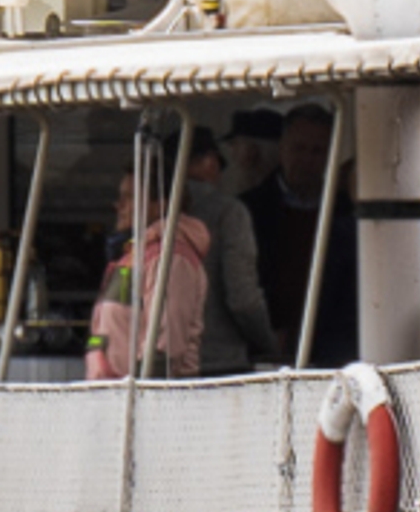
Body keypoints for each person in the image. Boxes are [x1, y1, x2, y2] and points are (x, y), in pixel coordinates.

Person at [252, 103, 359, 371]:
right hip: (269, 348)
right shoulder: (251, 209)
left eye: (317, 151)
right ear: (282, 148)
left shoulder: (346, 212)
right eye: (298, 148)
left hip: (331, 350)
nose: (307, 160)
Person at [87, 163, 215, 379]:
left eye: (129, 197)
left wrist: (140, 398)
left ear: (160, 205)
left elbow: (166, 348)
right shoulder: (134, 256)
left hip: (151, 401)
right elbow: (104, 327)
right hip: (114, 396)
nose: (119, 205)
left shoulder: (172, 259)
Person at [174, 121, 283, 375]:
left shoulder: (146, 209)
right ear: (211, 163)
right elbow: (243, 299)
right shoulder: (228, 212)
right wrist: (269, 344)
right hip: (220, 362)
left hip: (158, 364)